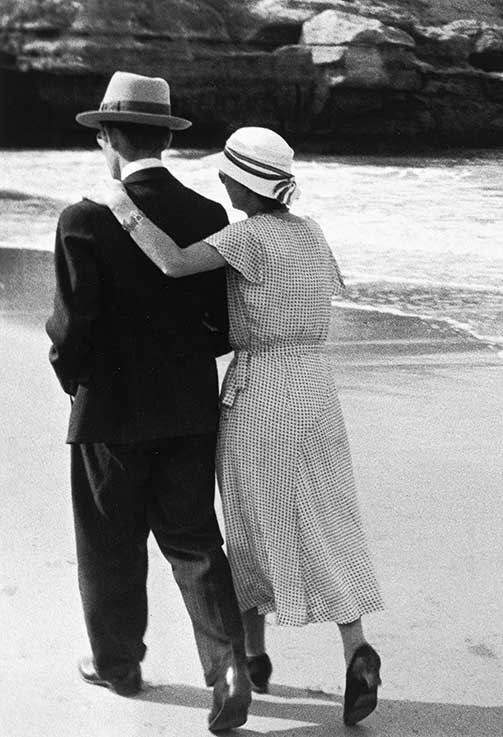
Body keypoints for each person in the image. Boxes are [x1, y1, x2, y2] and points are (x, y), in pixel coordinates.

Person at [90, 125, 386, 726]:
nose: (221, 184)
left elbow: (173, 263)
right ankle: (354, 647)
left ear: (242, 183)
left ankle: (251, 657)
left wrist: (122, 203)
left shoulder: (246, 237)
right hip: (316, 389)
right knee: (329, 515)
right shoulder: (310, 232)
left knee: (253, 523)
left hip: (262, 392)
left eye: (227, 176)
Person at [45, 71, 252, 732]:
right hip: (189, 408)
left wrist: (72, 378)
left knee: (109, 543)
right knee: (194, 538)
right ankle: (228, 665)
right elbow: (223, 326)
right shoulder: (210, 216)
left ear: (107, 137)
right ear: (164, 136)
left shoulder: (82, 217)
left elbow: (72, 328)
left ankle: (118, 663)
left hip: (107, 410)